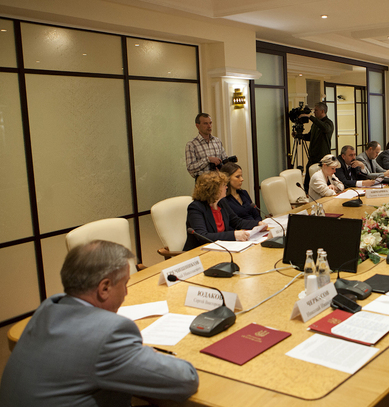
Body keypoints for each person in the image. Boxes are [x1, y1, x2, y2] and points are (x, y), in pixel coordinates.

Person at [0, 241, 199, 406]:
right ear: (104, 288)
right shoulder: (109, 334)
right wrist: (146, 353)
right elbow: (186, 380)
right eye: (125, 284)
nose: (126, 292)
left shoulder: (48, 307)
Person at [184, 171, 263, 250]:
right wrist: (233, 235)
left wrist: (258, 224)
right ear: (214, 189)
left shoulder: (222, 202)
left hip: (221, 248)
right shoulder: (196, 208)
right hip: (199, 251)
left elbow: (237, 222)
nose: (226, 187)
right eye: (224, 185)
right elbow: (203, 236)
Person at [293, 102, 334, 191]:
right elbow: (309, 136)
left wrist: (310, 117)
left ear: (322, 111)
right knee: (308, 181)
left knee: (322, 181)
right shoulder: (315, 124)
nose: (314, 112)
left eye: (316, 110)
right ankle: (307, 193)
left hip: (322, 158)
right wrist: (299, 136)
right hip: (312, 157)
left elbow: (325, 129)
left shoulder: (328, 123)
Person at [185, 113, 229, 180]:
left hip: (219, 180)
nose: (209, 126)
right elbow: (190, 168)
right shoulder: (191, 145)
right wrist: (208, 160)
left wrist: (222, 166)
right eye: (205, 123)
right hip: (203, 182)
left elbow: (225, 160)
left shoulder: (217, 141)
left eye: (210, 123)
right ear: (197, 126)